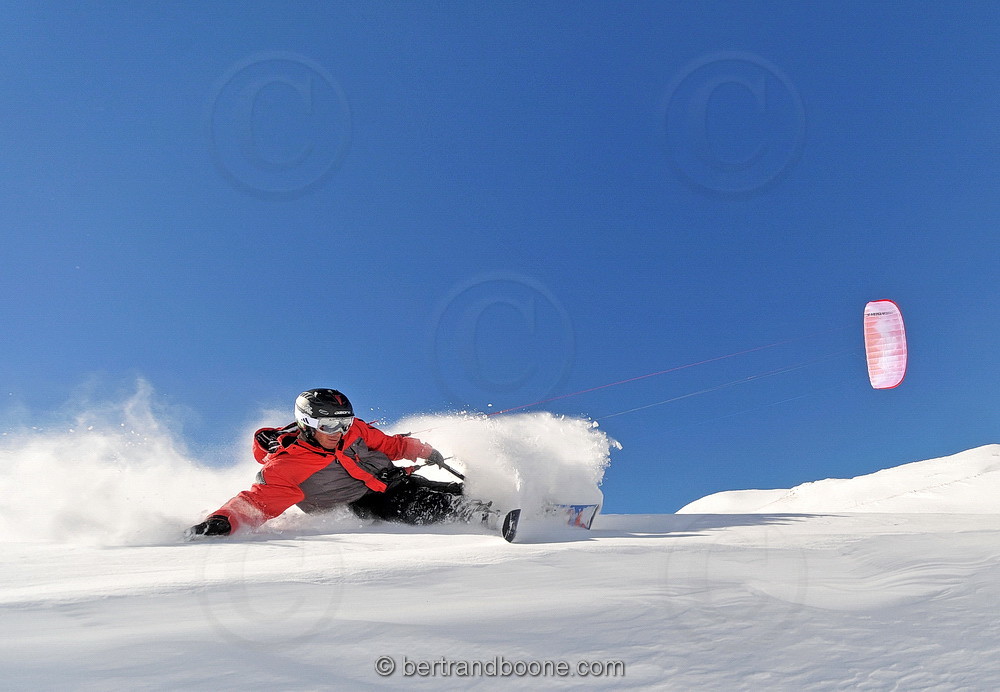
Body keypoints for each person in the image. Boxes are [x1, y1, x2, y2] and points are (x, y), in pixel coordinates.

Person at [187, 388, 473, 537]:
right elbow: (258, 501)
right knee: (424, 507)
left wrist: (423, 450)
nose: (339, 432)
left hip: (396, 481)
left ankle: (491, 505)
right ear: (308, 424)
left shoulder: (355, 430)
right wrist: (222, 522)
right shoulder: (287, 464)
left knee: (456, 491)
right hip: (364, 503)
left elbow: (388, 444)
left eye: (343, 423)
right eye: (329, 425)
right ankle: (481, 516)